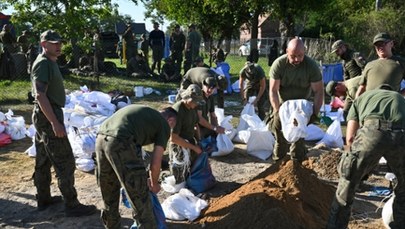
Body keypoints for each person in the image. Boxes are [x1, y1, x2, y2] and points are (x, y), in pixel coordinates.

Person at [31, 30, 96, 216]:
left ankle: (43, 198)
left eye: (59, 42)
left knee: (43, 159)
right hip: (48, 114)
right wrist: (54, 123)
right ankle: (72, 205)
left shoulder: (49, 62)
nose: (58, 46)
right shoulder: (43, 64)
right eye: (53, 43)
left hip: (46, 114)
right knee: (65, 161)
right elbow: (40, 95)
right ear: (44, 44)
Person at [326, 85, 405, 229]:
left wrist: (355, 164)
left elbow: (349, 138)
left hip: (371, 132)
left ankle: (335, 226)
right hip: (399, 134)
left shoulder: (362, 98)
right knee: (403, 188)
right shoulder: (399, 98)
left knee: (347, 183)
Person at [95, 105, 177, 229]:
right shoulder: (163, 125)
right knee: (139, 195)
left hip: (101, 138)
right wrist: (155, 184)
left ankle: (112, 226)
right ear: (170, 121)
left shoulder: (146, 115)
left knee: (109, 190)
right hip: (121, 141)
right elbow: (156, 163)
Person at [269, 37, 324, 162]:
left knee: (299, 136)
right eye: (293, 56)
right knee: (279, 132)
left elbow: (318, 91)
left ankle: (297, 163)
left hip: (302, 106)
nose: (297, 59)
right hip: (283, 105)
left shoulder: (311, 66)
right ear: (287, 52)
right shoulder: (279, 64)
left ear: (304, 52)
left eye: (300, 55)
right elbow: (273, 90)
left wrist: (315, 112)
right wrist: (277, 111)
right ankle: (279, 161)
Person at [169, 84, 205, 184]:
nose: (196, 104)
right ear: (188, 98)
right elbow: (174, 138)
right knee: (180, 174)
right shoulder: (178, 110)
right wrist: (193, 147)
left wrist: (199, 141)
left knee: (194, 169)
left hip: (190, 141)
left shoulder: (192, 107)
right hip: (179, 144)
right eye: (194, 101)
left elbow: (196, 125)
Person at [355, 32, 405, 98]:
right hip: (370, 104)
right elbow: (362, 88)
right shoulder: (369, 65)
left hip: (389, 104)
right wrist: (357, 102)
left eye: (383, 44)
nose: (380, 47)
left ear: (391, 44)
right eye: (377, 45)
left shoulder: (400, 62)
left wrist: (398, 96)